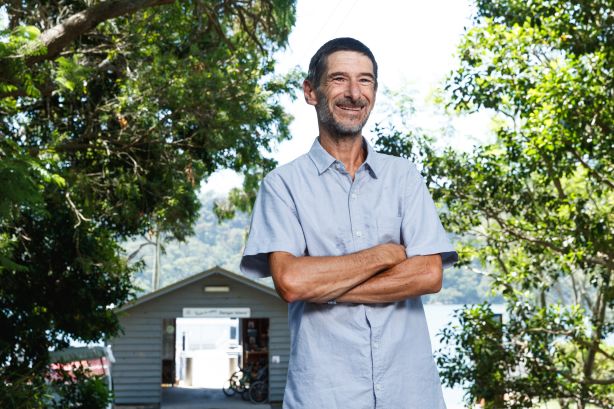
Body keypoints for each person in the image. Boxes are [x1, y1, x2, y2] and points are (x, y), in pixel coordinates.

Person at [240, 37, 458, 409]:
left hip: (412, 396)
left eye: (366, 81)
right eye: (340, 79)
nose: (354, 93)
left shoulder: (403, 177)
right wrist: (384, 254)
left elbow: (427, 276)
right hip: (325, 398)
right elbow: (292, 282)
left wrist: (325, 287)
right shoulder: (283, 186)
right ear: (311, 91)